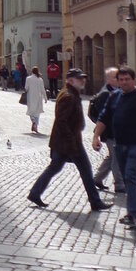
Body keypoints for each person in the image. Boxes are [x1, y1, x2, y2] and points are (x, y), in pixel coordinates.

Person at [27, 68, 110, 212]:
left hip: (65, 141)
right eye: (79, 78)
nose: (82, 81)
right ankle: (95, 202)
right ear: (71, 80)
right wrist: (71, 141)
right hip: (69, 142)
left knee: (55, 167)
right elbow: (61, 121)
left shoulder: (71, 93)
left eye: (83, 78)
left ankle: (35, 193)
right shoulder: (68, 96)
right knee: (85, 169)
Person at [92, 65, 136, 229]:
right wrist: (95, 136)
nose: (124, 82)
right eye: (121, 80)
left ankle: (134, 214)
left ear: (133, 80)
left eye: (127, 79)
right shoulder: (114, 96)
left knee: (130, 177)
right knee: (126, 177)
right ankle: (132, 213)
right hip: (119, 144)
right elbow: (104, 117)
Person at [89, 67, 125, 195]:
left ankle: (97, 179)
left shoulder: (118, 91)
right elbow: (103, 116)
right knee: (117, 157)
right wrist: (97, 135)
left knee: (112, 157)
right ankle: (120, 184)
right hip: (110, 131)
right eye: (116, 77)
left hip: (118, 131)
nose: (119, 80)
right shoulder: (105, 94)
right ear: (109, 80)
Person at [24, 65, 47, 134]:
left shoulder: (28, 78)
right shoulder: (40, 79)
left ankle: (33, 121)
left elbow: (26, 88)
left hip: (30, 97)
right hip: (38, 98)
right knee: (37, 113)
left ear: (32, 71)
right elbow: (43, 89)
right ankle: (36, 126)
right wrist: (45, 98)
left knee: (31, 111)